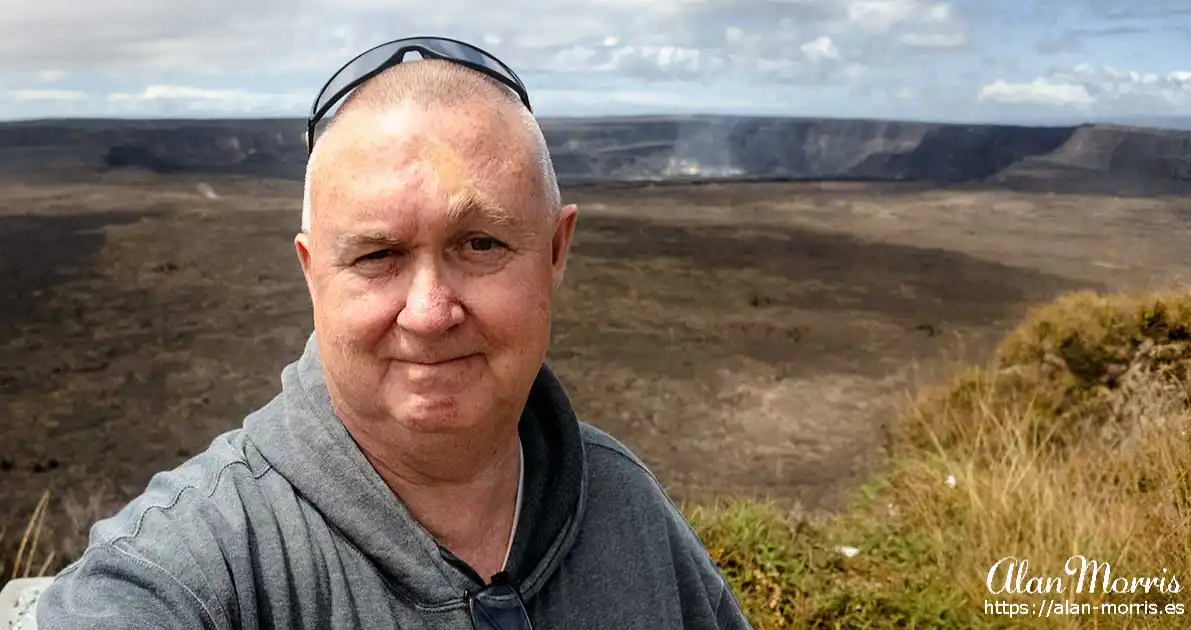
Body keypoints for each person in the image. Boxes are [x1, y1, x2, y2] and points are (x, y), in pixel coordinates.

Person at [34, 37, 752, 629]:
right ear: (313, 274)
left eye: (481, 245)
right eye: (377, 255)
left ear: (557, 252)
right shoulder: (194, 568)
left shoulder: (626, 509)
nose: (430, 312)